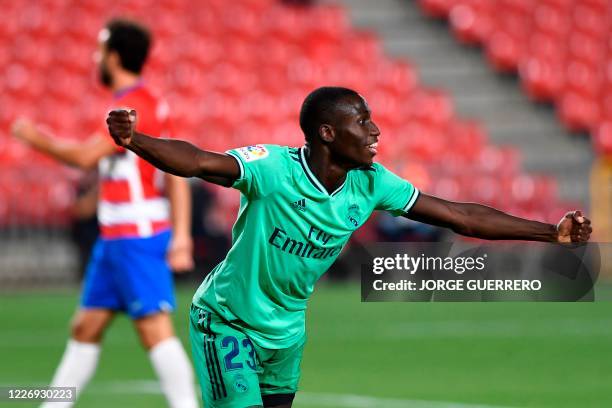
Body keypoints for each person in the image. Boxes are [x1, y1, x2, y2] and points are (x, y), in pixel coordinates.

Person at [106, 86, 592, 408]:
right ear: (327, 133)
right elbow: (199, 162)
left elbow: (460, 215)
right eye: (362, 121)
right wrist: (135, 140)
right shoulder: (273, 168)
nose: (375, 131)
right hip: (228, 320)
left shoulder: (371, 182)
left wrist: (550, 233)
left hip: (287, 330)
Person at [12, 19, 198, 408]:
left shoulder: (137, 106)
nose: (94, 57)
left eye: (99, 50)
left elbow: (84, 157)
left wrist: (34, 136)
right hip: (115, 238)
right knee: (85, 326)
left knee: (153, 329)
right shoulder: (137, 102)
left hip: (138, 236)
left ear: (113, 57)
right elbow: (161, 174)